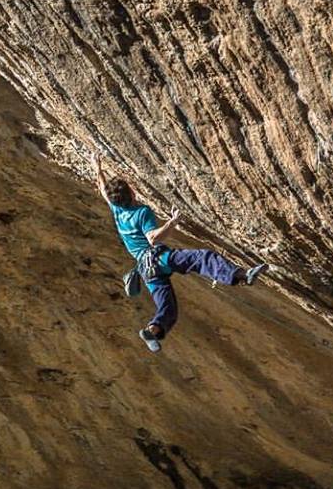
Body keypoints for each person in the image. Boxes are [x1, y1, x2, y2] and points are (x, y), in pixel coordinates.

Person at [92, 150, 268, 353]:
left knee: (168, 309)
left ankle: (152, 330)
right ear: (131, 193)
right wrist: (173, 222)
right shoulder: (142, 212)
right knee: (202, 258)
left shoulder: (118, 210)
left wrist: (98, 168)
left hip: (146, 270)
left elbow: (104, 189)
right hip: (158, 258)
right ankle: (242, 275)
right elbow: (152, 238)